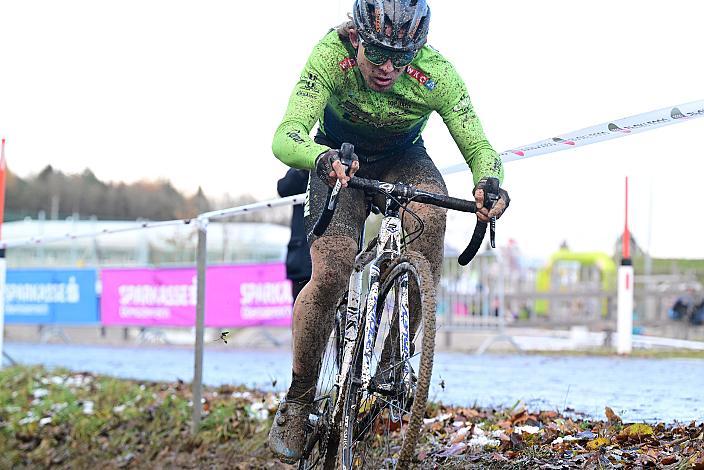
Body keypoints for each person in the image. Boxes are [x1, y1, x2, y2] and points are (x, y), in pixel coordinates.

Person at [268, 0, 510, 462]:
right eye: (377, 54)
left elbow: (479, 144)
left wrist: (488, 183)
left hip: (404, 159)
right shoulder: (329, 56)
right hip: (339, 158)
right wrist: (320, 160)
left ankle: (392, 363)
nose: (387, 69)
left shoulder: (436, 71)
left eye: (401, 59)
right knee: (332, 274)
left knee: (431, 215)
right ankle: (298, 399)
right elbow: (286, 135)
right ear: (358, 37)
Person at [277, 168, 312, 301]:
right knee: (300, 312)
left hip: (330, 257)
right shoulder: (302, 167)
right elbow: (283, 188)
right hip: (301, 259)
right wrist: (303, 167)